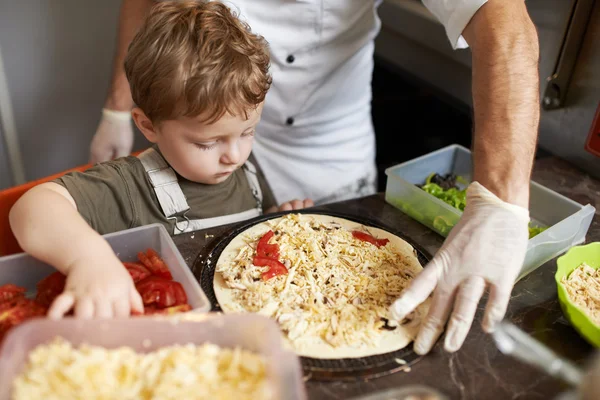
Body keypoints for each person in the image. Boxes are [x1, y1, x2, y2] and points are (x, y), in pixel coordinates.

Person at [89, 0, 541, 354]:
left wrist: (500, 204)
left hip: (330, 138)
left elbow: (504, 26)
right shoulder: (166, 166)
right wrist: (115, 105)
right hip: (210, 114)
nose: (230, 156)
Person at [9, 1, 313, 320]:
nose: (234, 155)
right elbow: (32, 208)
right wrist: (87, 258)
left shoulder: (245, 173)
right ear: (148, 126)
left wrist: (277, 221)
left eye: (247, 132)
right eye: (207, 143)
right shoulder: (130, 186)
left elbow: (250, 242)